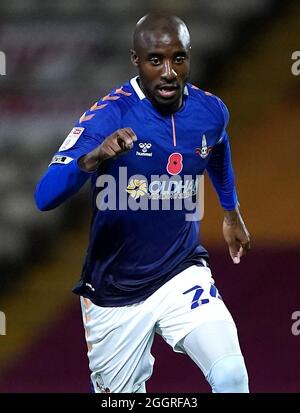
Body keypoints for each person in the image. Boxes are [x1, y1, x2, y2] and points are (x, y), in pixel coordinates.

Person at [35, 12, 250, 393]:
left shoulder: (210, 110)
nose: (168, 71)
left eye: (178, 58)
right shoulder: (108, 116)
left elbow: (217, 144)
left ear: (188, 57)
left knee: (232, 375)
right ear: (136, 59)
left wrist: (231, 211)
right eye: (156, 60)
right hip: (115, 293)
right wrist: (94, 157)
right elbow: (44, 196)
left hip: (180, 271)